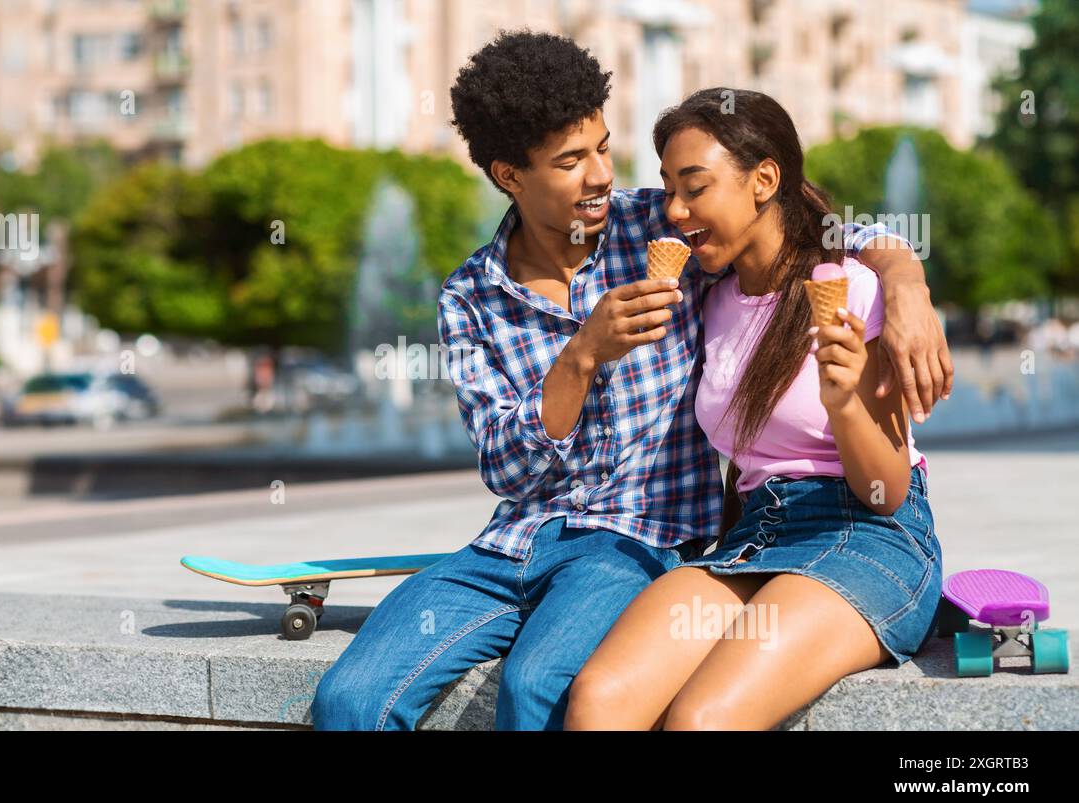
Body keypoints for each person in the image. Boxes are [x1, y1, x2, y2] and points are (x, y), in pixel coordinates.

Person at [310, 32, 950, 731]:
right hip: (520, 541)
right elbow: (504, 465)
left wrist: (906, 278)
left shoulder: (659, 231)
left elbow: (799, 222)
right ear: (509, 175)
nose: (601, 177)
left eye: (603, 149)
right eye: (570, 160)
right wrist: (581, 357)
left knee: (544, 690)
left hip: (643, 541)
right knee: (349, 698)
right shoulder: (469, 296)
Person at [566, 89, 943, 730]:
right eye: (667, 188)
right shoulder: (712, 299)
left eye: (695, 186)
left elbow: (886, 492)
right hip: (753, 538)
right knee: (600, 700)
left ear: (764, 179)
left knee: (701, 720)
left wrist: (845, 403)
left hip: (865, 534)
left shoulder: (856, 288)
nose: (675, 210)